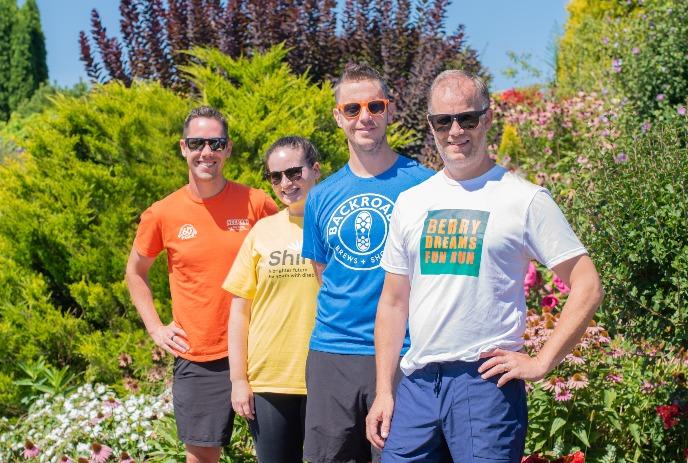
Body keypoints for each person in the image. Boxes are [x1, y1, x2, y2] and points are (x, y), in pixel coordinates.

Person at [366, 70, 604, 462]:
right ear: (431, 125)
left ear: (488, 119)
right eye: (444, 121)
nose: (456, 130)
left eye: (467, 118)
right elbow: (393, 303)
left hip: (486, 385)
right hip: (418, 385)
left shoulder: (524, 199)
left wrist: (543, 361)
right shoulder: (411, 202)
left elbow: (587, 284)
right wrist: (385, 391)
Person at [125, 106, 278, 463]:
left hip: (261, 349)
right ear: (183, 147)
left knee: (277, 453)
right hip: (200, 354)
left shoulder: (257, 203)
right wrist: (155, 328)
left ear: (228, 148)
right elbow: (135, 272)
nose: (206, 152)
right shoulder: (163, 213)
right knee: (201, 458)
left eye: (215, 143)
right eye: (197, 143)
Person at [301, 64, 434, 462]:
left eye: (375, 106)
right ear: (338, 116)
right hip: (334, 353)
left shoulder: (425, 185)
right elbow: (323, 274)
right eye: (353, 108)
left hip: (406, 354)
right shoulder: (321, 196)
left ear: (390, 112)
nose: (365, 117)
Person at [222, 136, 321, 463]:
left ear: (315, 170)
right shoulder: (262, 232)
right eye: (275, 176)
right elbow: (239, 313)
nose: (285, 183)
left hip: (327, 375)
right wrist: (239, 380)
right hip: (270, 380)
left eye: (294, 172)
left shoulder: (335, 226)